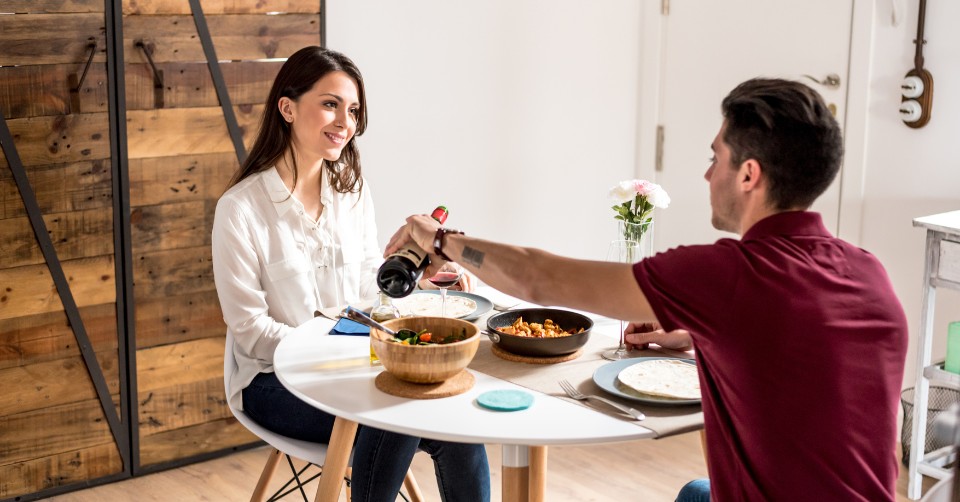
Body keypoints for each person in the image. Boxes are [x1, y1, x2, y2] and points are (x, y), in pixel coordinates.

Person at [385, 78, 908, 501]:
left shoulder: (732, 276)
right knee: (695, 494)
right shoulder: (868, 272)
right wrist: (698, 336)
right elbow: (802, 357)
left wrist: (442, 240)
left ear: (749, 174)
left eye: (715, 157)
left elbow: (541, 277)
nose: (707, 175)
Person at [212, 46, 489, 502]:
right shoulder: (240, 211)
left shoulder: (351, 191)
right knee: (394, 414)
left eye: (353, 110)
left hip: (356, 369)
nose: (345, 121)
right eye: (330, 104)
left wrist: (420, 281)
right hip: (273, 382)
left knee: (453, 419)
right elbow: (249, 331)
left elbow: (367, 288)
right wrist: (328, 352)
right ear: (287, 107)